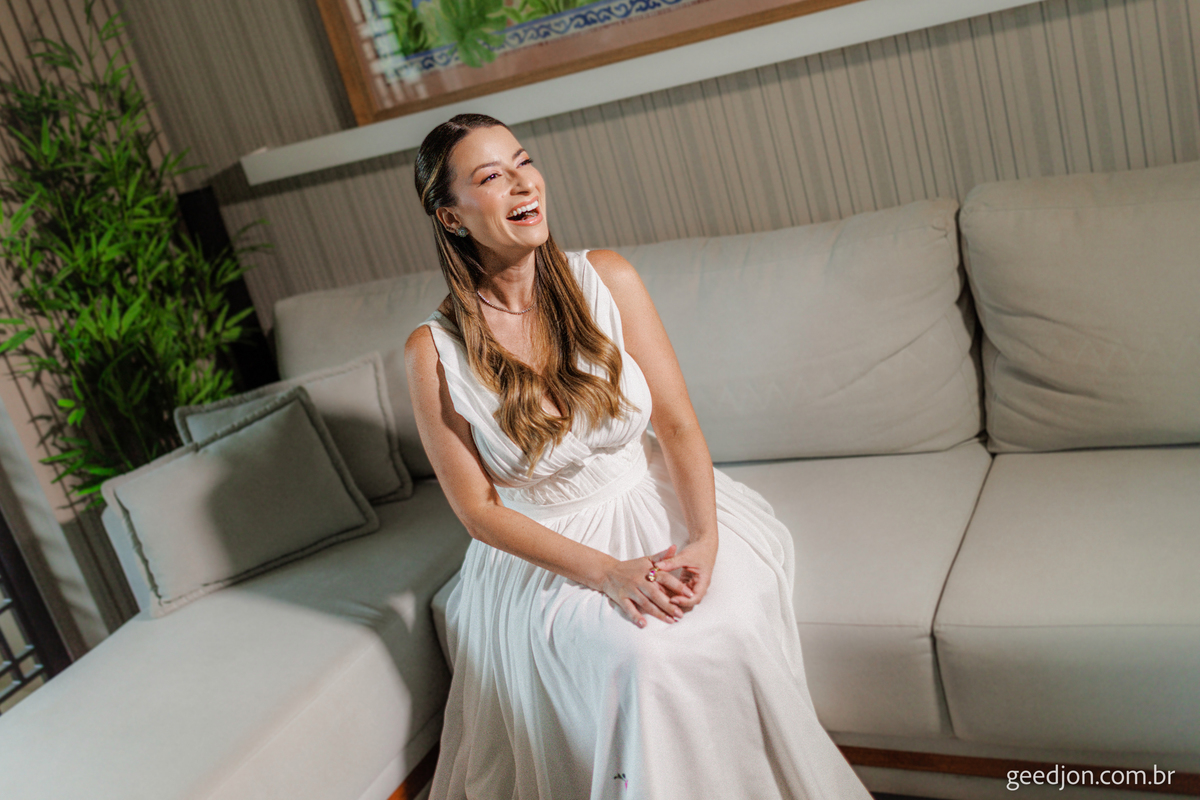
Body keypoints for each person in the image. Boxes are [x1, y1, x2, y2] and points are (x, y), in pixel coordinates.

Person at [405, 113, 873, 800]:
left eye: (524, 162)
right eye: (491, 176)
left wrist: (704, 539)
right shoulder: (432, 352)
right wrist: (608, 574)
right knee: (640, 654)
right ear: (451, 217)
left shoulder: (606, 277)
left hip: (654, 500)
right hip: (550, 550)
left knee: (731, 618)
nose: (523, 183)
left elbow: (677, 423)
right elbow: (478, 512)